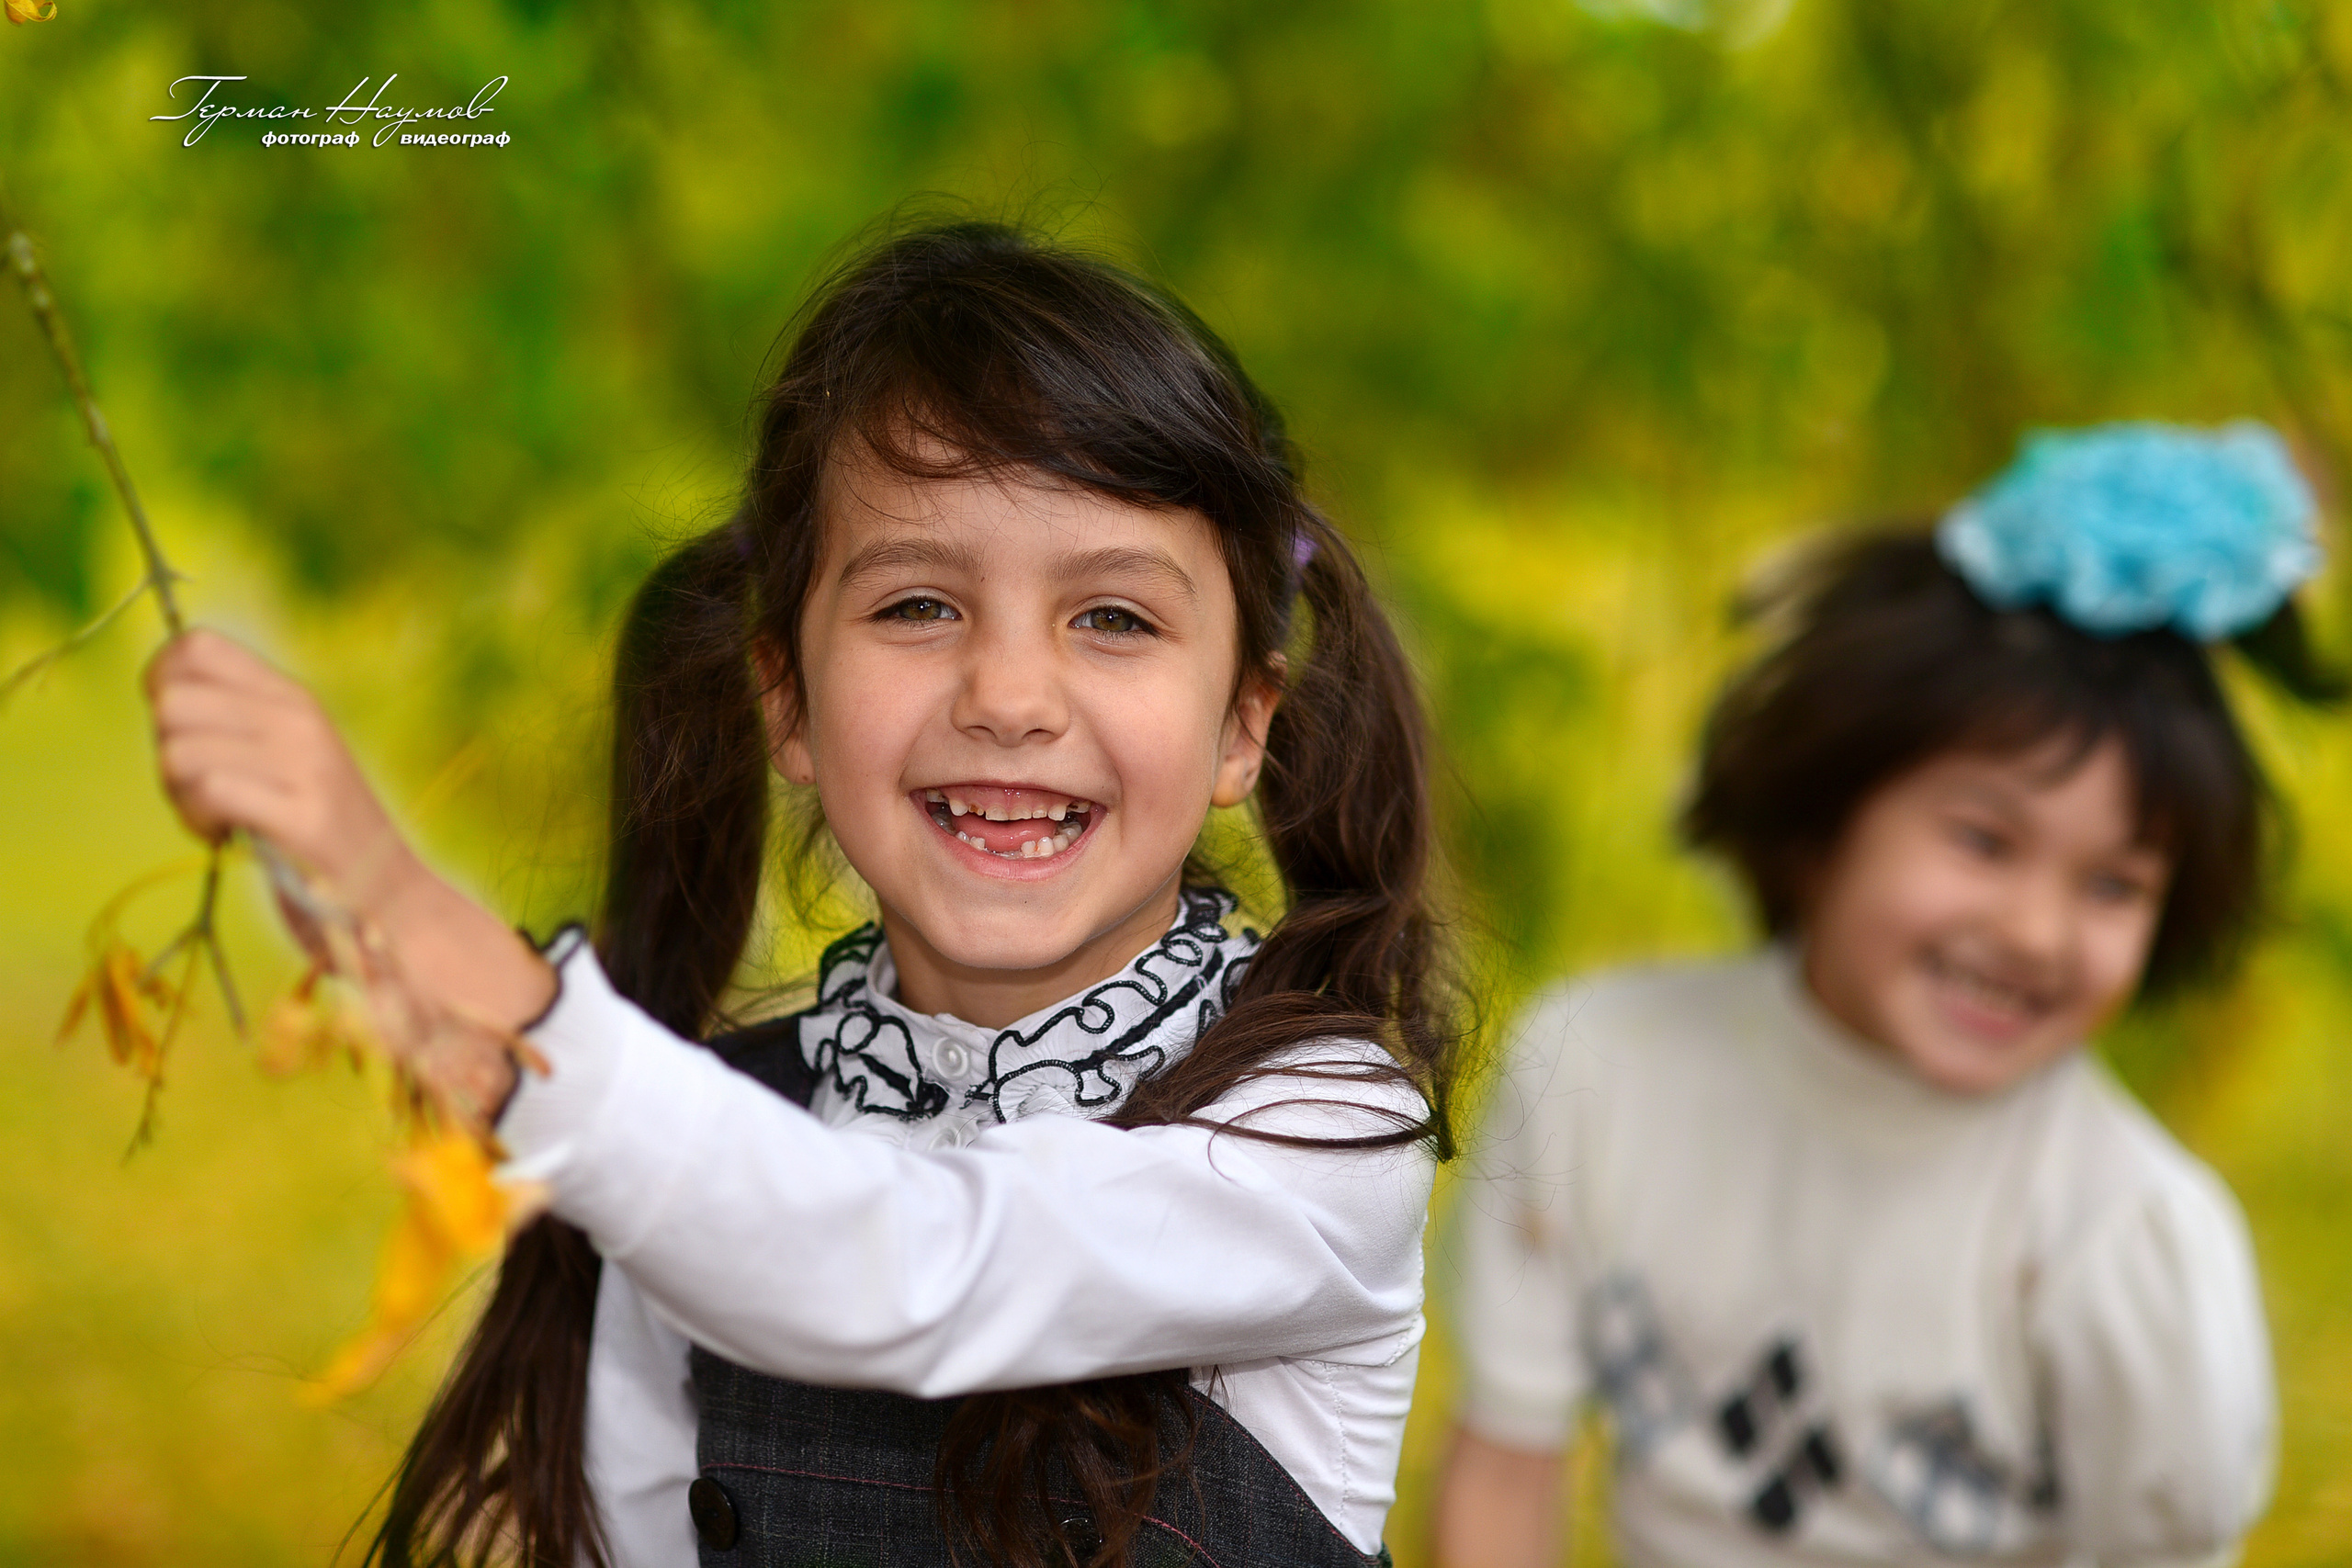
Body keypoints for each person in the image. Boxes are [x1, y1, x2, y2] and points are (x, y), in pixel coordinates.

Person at [142, 222, 1464, 1567]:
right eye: (917, 605)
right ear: (788, 697)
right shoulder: (712, 1131)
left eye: (1114, 616)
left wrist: (422, 917)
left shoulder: (1314, 1129)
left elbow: (914, 1264)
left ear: (1244, 723)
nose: (1008, 695)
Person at [1435, 423, 2322, 1568]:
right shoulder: (1601, 1072)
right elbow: (1506, 1474)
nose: (2035, 932)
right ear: (1826, 809)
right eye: (1983, 840)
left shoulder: (2128, 1239)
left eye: (2112, 883)